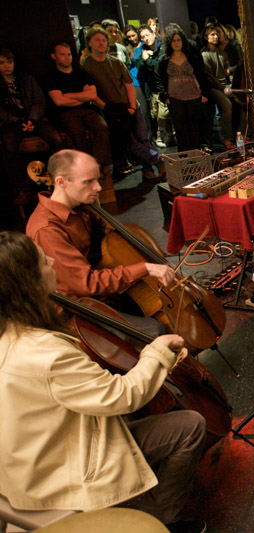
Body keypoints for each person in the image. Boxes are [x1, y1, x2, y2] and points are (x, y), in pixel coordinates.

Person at [0, 231, 207, 533]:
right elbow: (121, 397)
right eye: (44, 261)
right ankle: (157, 521)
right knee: (189, 427)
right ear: (28, 284)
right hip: (60, 475)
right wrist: (157, 352)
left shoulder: (9, 333)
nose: (52, 260)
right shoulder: (47, 354)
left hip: (26, 466)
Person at [26, 149, 175, 335]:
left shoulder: (80, 206)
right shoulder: (47, 229)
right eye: (88, 182)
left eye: (97, 179)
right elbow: (85, 284)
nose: (97, 187)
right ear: (61, 182)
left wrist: (97, 211)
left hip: (103, 294)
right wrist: (145, 268)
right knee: (156, 330)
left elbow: (107, 241)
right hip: (79, 308)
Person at [81, 27, 164, 182]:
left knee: (143, 140)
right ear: (89, 43)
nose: (101, 43)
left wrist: (132, 107)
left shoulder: (115, 62)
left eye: (104, 40)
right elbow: (91, 93)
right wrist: (106, 108)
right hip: (111, 110)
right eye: (97, 40)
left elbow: (128, 85)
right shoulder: (86, 65)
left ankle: (148, 171)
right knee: (130, 143)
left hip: (131, 105)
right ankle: (159, 161)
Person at [43, 43, 112, 189]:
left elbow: (92, 95)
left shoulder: (82, 74)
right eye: (62, 54)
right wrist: (82, 96)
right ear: (54, 56)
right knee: (77, 133)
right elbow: (59, 101)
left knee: (102, 127)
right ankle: (87, 169)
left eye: (68, 54)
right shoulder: (51, 77)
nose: (67, 57)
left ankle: (99, 164)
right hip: (65, 113)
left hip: (88, 110)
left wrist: (69, 95)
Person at [0, 47, 63, 206]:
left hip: (35, 118)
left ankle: (58, 180)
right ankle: (22, 190)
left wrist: (32, 119)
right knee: (8, 145)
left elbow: (39, 101)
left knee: (56, 139)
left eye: (9, 62)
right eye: (2, 63)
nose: (7, 66)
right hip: (11, 122)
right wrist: (16, 121)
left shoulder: (27, 79)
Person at [155, 26, 211, 152]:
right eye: (173, 40)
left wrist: (204, 93)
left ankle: (196, 156)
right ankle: (184, 158)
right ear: (169, 42)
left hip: (193, 95)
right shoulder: (163, 60)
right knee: (180, 129)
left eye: (178, 40)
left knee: (194, 128)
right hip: (174, 98)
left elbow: (202, 75)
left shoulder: (191, 57)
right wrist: (165, 96)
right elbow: (158, 79)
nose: (176, 43)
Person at [201, 24, 235, 149]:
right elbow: (210, 78)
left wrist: (232, 86)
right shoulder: (204, 55)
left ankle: (241, 134)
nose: (215, 37)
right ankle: (227, 138)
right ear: (206, 37)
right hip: (213, 87)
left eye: (216, 34)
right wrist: (223, 88)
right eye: (212, 35)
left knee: (242, 100)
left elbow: (227, 71)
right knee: (227, 104)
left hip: (225, 84)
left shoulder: (222, 52)